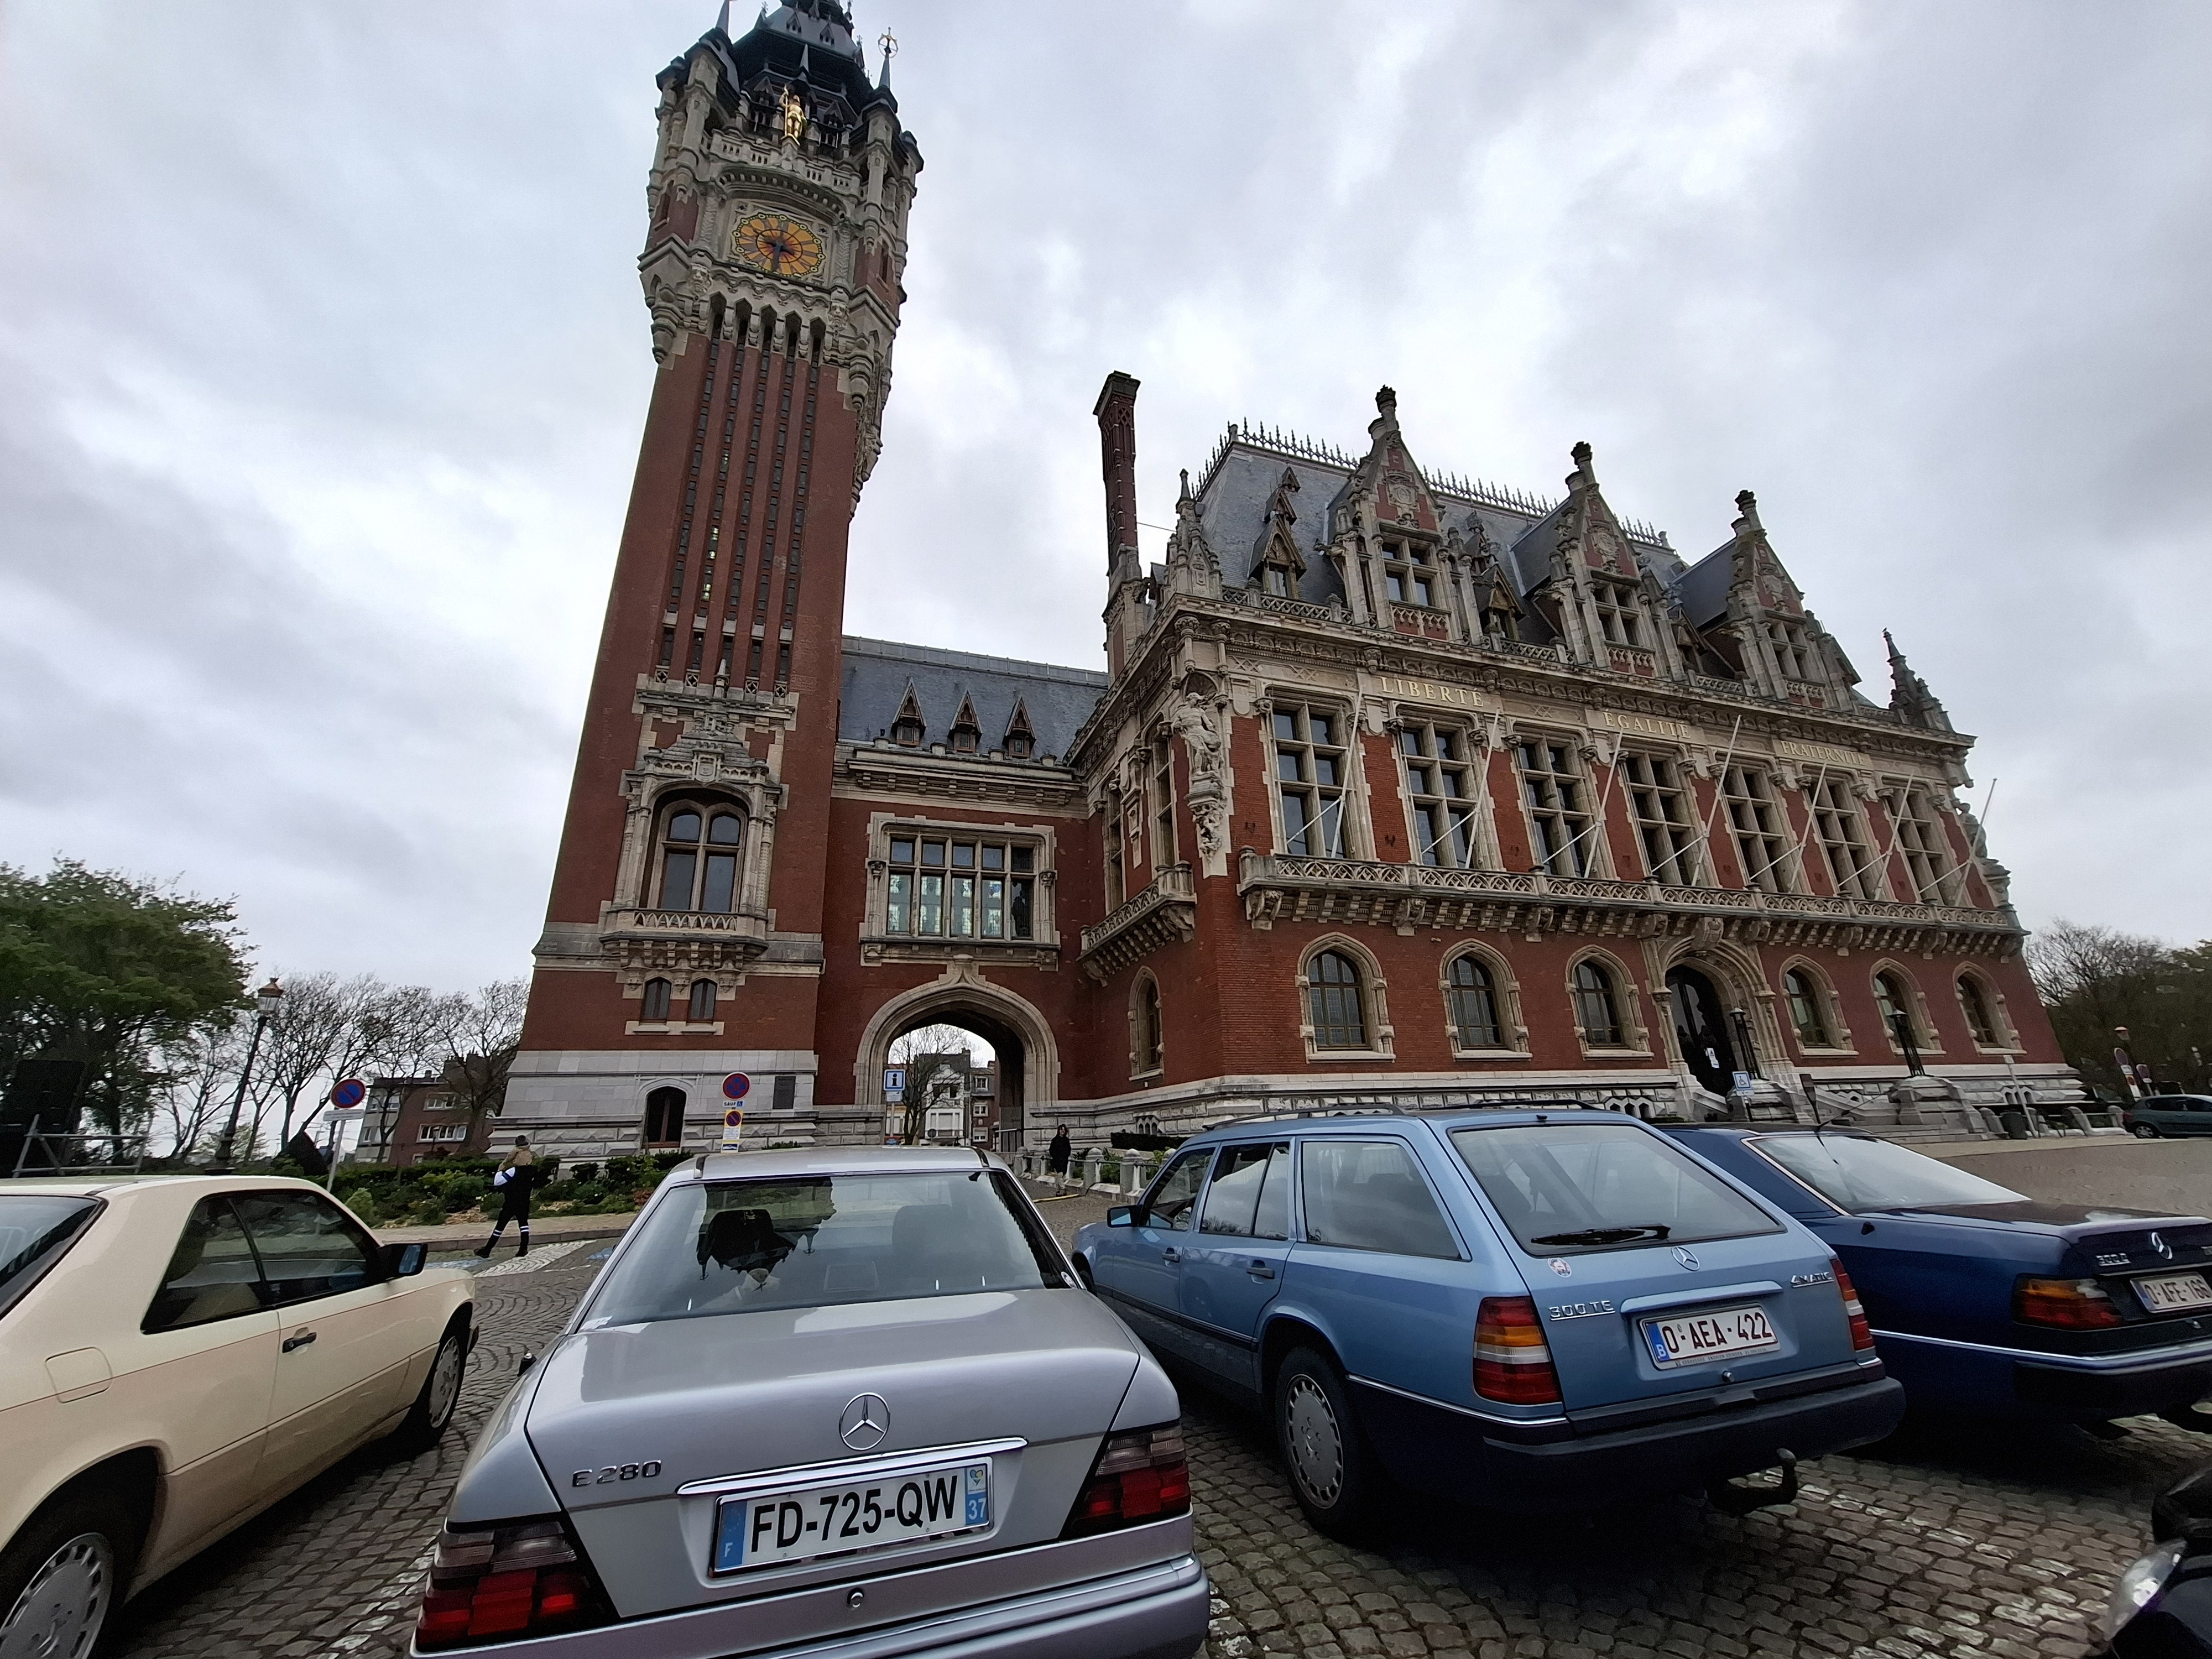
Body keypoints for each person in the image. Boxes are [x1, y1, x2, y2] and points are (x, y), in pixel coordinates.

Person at [475, 1135, 536, 1259]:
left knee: (500, 1226)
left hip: (511, 1202)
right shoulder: (532, 1171)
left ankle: (487, 1250)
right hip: (524, 1201)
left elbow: (498, 1182)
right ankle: (523, 1249)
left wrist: (500, 1169)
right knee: (524, 1225)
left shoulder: (513, 1171)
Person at [1047, 1125, 1072, 1195]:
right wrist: (1056, 1156)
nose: (1062, 1131)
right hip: (1057, 1161)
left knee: (1060, 1176)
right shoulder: (1055, 1140)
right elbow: (1051, 1150)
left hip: (1064, 1160)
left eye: (1064, 1130)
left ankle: (1058, 1191)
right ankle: (1063, 1189)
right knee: (1060, 1175)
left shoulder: (1066, 1140)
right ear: (1059, 1131)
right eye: (1061, 1130)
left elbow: (1069, 1149)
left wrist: (1066, 1155)